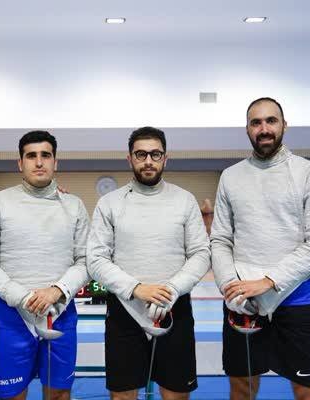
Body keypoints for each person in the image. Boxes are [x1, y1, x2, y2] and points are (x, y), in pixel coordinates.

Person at [210, 97, 310, 400]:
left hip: (295, 300)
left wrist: (268, 281)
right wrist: (229, 287)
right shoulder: (231, 176)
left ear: (284, 125)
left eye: (271, 121)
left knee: (307, 390)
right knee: (242, 388)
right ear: (247, 129)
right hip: (242, 302)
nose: (264, 129)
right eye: (256, 122)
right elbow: (221, 240)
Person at [87, 127, 211, 400]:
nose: (148, 161)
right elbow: (95, 259)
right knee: (122, 396)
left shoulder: (184, 200)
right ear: (129, 158)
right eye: (140, 154)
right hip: (124, 311)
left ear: (165, 158)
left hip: (175, 307)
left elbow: (201, 253)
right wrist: (136, 288)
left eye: (155, 154)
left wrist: (172, 289)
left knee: (176, 395)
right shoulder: (110, 203)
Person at [0, 130, 90, 400]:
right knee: (12, 396)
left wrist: (57, 290)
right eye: (31, 156)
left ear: (55, 162)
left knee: (59, 395)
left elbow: (86, 261)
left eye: (45, 155)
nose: (38, 162)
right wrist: (22, 296)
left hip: (60, 313)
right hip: (12, 317)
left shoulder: (74, 205)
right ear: (20, 163)